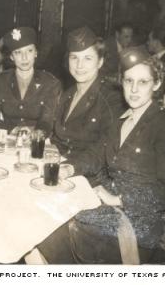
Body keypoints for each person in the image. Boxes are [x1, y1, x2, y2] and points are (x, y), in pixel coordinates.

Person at [38, 46, 165, 264]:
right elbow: (95, 153)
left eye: (143, 82)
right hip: (107, 209)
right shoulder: (120, 121)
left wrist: (119, 199)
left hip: (138, 224)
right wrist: (68, 167)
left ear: (156, 84)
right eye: (128, 81)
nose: (134, 89)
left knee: (54, 228)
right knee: (43, 216)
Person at [51, 27, 126, 183]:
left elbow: (106, 146)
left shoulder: (112, 97)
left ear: (100, 62)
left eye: (87, 58)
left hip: (92, 178)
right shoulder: (67, 94)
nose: (79, 65)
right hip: (64, 169)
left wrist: (71, 167)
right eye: (74, 58)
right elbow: (59, 137)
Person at [0, 27, 62, 134]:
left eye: (29, 50)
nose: (24, 58)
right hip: (7, 139)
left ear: (36, 53)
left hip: (37, 141)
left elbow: (48, 122)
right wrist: (14, 130)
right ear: (11, 57)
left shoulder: (50, 83)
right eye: (18, 52)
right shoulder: (0, 80)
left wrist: (36, 132)